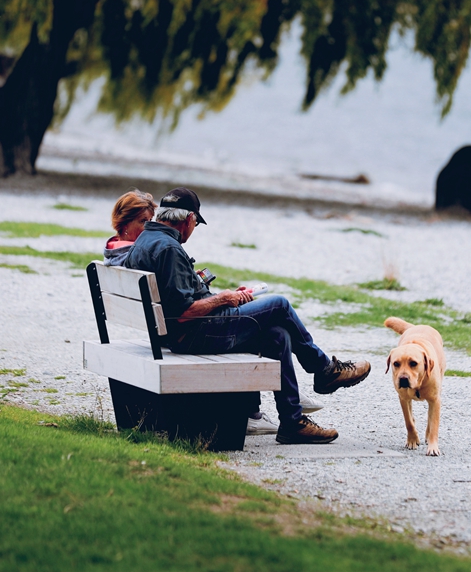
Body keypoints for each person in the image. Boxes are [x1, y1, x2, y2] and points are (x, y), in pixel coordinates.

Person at [124, 187, 369, 444]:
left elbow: (176, 301)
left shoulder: (145, 240)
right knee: (279, 305)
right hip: (193, 334)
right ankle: (325, 370)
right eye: (196, 223)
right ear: (188, 220)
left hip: (176, 332)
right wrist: (223, 299)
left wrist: (219, 297)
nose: (193, 229)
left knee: (277, 334)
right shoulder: (169, 249)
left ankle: (292, 422)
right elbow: (184, 313)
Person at [103, 190, 157, 266]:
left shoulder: (111, 251)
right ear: (125, 224)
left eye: (150, 220)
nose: (149, 227)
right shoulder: (142, 258)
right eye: (143, 221)